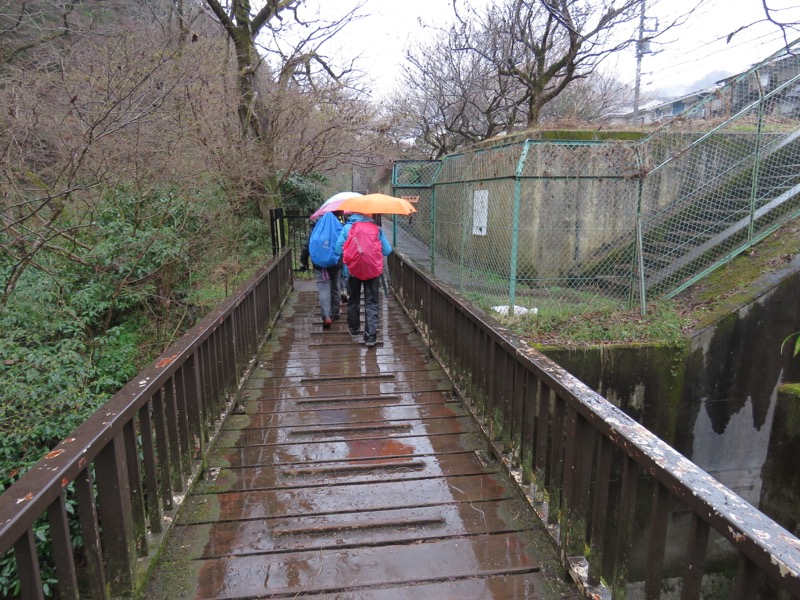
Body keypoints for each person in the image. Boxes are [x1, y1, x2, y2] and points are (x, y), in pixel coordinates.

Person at [334, 212, 392, 347]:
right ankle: (370, 337)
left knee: (353, 300)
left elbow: (337, 249)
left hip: (352, 270)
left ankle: (354, 330)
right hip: (373, 271)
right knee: (371, 302)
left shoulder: (348, 228)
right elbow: (388, 251)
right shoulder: (376, 229)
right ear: (369, 214)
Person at [299, 215, 343, 329]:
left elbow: (307, 246)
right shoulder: (338, 226)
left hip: (320, 265)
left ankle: (326, 316)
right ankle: (335, 313)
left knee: (324, 288)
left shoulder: (316, 229)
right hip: (335, 263)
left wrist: (304, 261)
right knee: (335, 286)